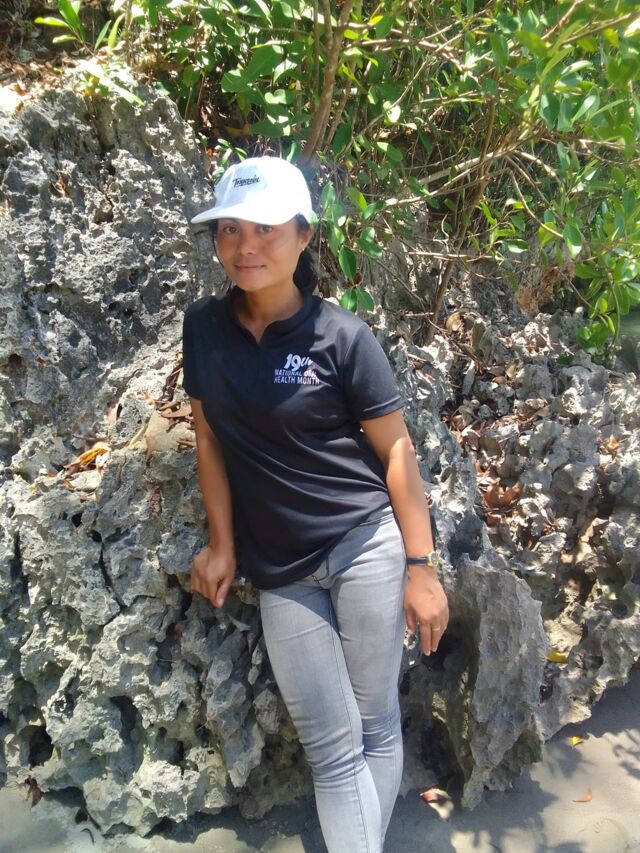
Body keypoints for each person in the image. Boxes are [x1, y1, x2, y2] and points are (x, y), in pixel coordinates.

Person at [182, 155, 449, 853]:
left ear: (304, 236)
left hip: (364, 546)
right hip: (281, 570)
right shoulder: (203, 328)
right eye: (230, 229)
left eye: (266, 228)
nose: (245, 245)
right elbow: (207, 437)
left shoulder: (343, 336)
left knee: (375, 724)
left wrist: (421, 567)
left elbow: (397, 451)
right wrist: (222, 544)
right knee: (330, 745)